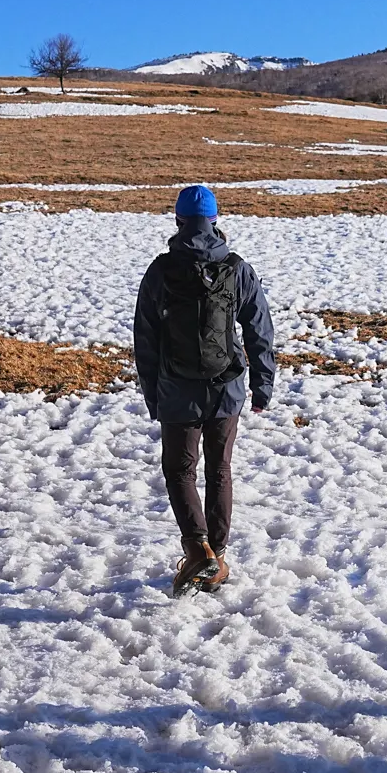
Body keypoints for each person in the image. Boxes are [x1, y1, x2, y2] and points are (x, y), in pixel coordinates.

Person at [134, 185, 276, 596]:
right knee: (219, 470)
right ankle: (218, 556)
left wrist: (153, 395)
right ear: (215, 220)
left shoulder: (161, 270)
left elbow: (145, 337)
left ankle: (198, 549)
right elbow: (259, 330)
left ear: (178, 220)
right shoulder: (236, 267)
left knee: (179, 470)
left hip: (176, 390)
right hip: (226, 388)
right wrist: (262, 383)